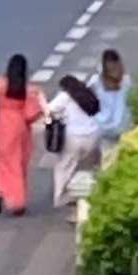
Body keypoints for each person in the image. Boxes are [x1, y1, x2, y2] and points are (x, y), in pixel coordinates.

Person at [0, 54, 46, 217]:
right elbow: (32, 114)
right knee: (17, 164)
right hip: (18, 127)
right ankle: (17, 203)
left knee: (1, 162)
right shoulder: (27, 90)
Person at [49, 75, 103, 217]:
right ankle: (92, 195)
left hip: (74, 138)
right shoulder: (90, 93)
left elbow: (50, 110)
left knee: (64, 167)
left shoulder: (65, 96)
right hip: (93, 137)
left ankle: (63, 197)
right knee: (90, 167)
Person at [87, 49, 135, 155]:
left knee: (108, 160)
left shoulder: (95, 82)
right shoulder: (126, 81)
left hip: (105, 127)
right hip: (122, 127)